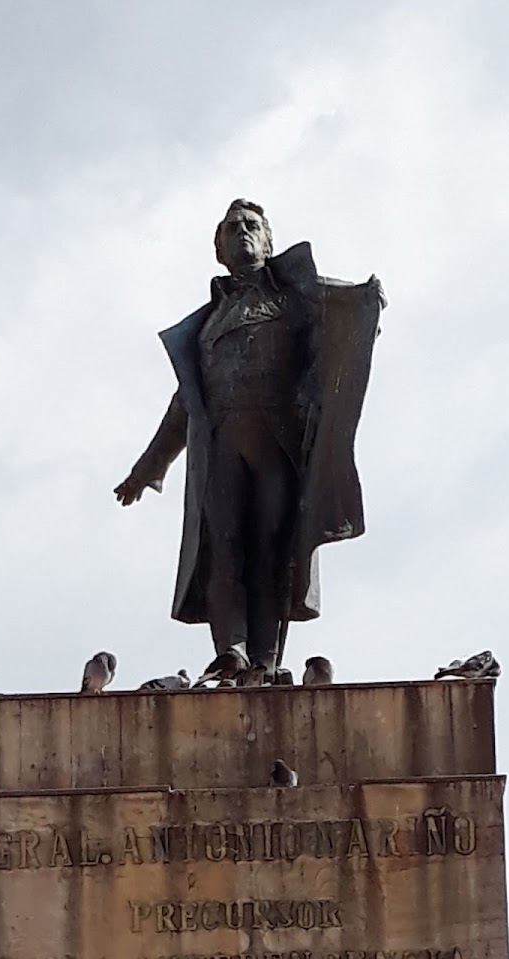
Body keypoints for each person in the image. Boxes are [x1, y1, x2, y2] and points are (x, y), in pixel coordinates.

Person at [116, 200, 383, 675]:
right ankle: (231, 650)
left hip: (277, 444)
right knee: (223, 549)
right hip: (220, 448)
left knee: (271, 552)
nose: (243, 232)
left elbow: (340, 311)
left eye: (252, 226)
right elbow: (186, 401)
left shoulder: (295, 299)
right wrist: (147, 468)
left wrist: (364, 303)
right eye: (232, 228)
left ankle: (263, 659)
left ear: (268, 241)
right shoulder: (206, 326)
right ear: (219, 250)